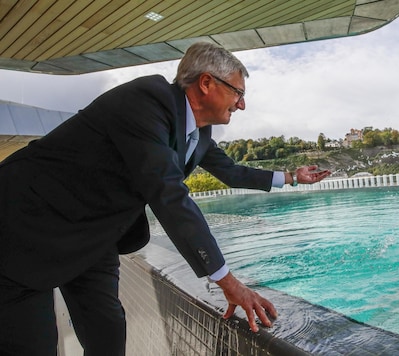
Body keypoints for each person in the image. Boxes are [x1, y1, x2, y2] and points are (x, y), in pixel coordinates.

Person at [0, 41, 331, 356]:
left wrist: (291, 177)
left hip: (93, 237)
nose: (242, 104)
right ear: (206, 83)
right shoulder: (147, 101)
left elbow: (230, 171)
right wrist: (227, 281)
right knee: (33, 345)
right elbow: (168, 193)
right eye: (238, 93)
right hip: (27, 227)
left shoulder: (198, 132)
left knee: (108, 331)